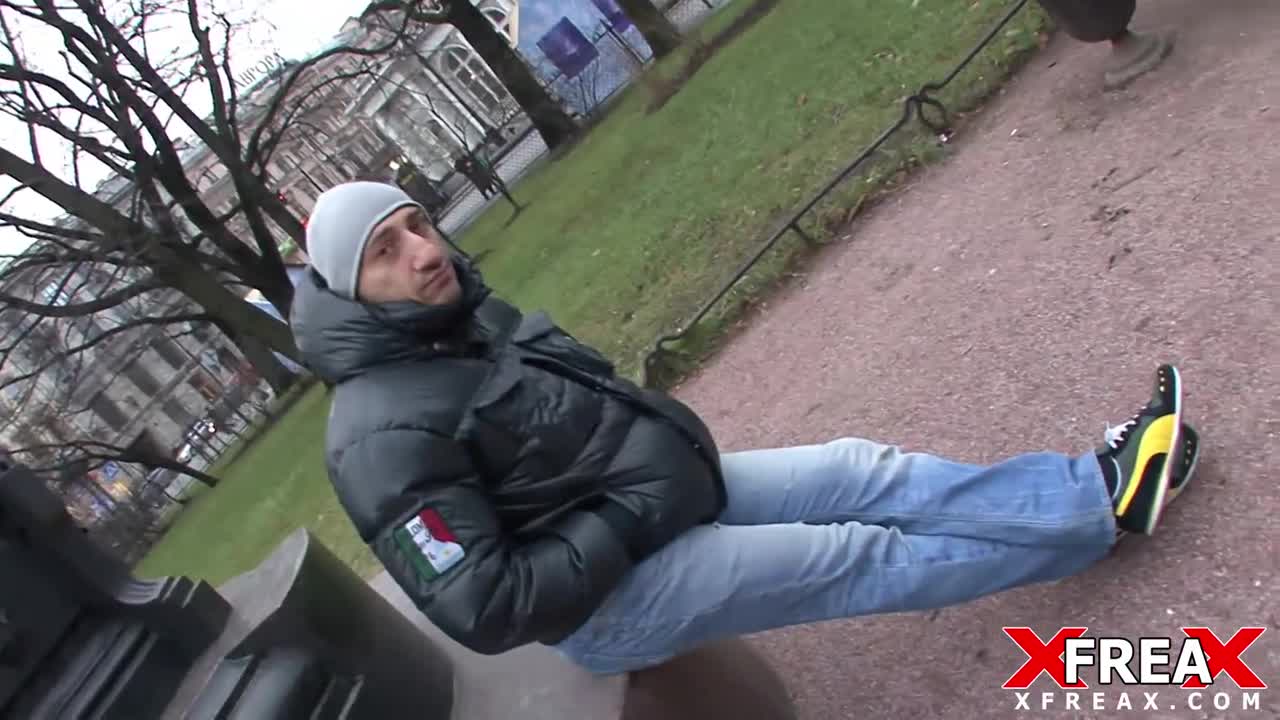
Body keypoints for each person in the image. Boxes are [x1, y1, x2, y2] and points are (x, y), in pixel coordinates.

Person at [290, 181, 1197, 676]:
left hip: (665, 499)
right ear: (349, 290)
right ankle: (1100, 520)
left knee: (860, 469)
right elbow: (487, 607)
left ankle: (1092, 493)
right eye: (387, 251)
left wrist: (649, 485)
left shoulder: (465, 316)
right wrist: (628, 514)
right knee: (854, 554)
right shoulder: (374, 436)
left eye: (418, 224)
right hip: (609, 604)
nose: (425, 252)